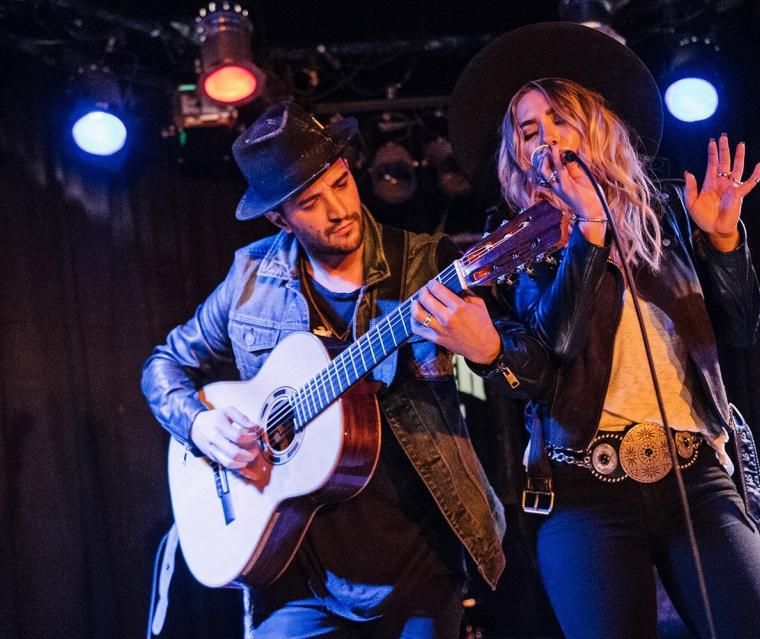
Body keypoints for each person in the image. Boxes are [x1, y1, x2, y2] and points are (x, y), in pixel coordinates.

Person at [140, 100, 548, 638]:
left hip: (417, 568)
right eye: (311, 202)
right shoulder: (249, 279)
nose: (338, 208)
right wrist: (199, 424)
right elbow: (163, 366)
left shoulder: (426, 264)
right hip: (295, 576)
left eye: (340, 182)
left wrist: (489, 350)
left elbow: (536, 372)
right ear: (277, 218)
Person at [447, 22, 760, 639]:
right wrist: (588, 235)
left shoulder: (665, 213)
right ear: (516, 152)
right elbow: (555, 349)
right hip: (584, 491)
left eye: (560, 119)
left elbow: (740, 327)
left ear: (594, 125)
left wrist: (722, 240)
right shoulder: (515, 247)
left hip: (696, 476)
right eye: (529, 130)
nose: (547, 139)